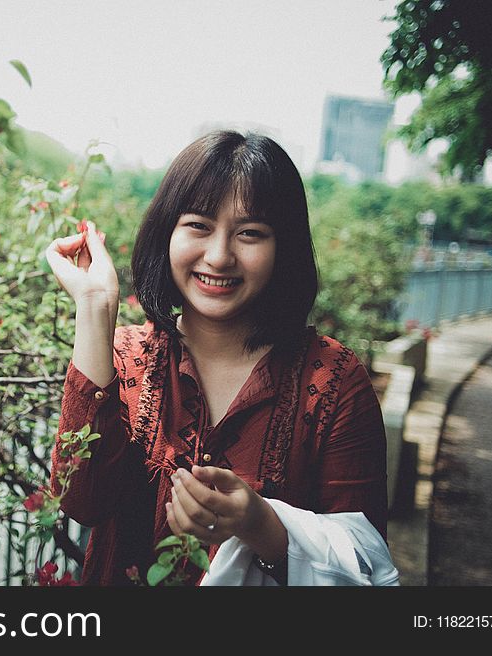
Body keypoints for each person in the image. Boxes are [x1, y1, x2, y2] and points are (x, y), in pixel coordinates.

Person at [44, 130, 399, 586]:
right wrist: (94, 307)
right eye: (198, 225)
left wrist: (261, 525)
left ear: (282, 247)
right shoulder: (128, 358)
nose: (219, 256)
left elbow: (367, 561)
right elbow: (81, 501)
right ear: (166, 232)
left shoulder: (333, 380)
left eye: (250, 233)